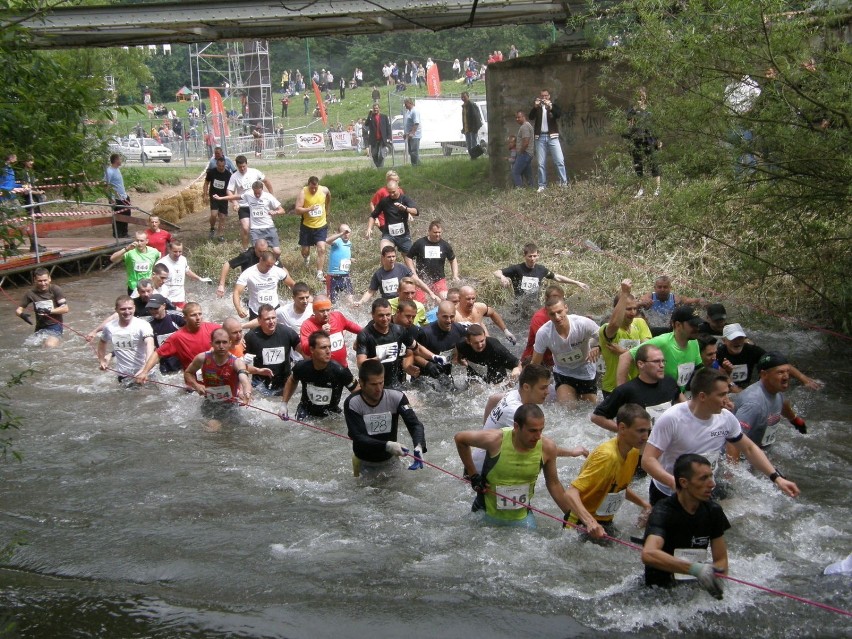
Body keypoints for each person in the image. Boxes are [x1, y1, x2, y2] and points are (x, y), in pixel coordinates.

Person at [641, 367, 801, 505]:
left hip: (704, 490)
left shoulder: (726, 418)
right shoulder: (672, 418)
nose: (727, 400)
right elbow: (648, 461)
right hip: (668, 492)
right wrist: (676, 485)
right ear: (702, 396)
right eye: (721, 395)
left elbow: (750, 448)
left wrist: (777, 478)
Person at [454, 404, 577, 528]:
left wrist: (572, 516)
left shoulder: (547, 447)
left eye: (541, 430)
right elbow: (460, 439)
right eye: (532, 430)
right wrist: (473, 475)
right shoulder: (495, 440)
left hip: (522, 519)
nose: (538, 436)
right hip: (484, 515)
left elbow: (554, 484)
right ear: (516, 427)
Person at [641, 453, 729, 597]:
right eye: (703, 478)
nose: (712, 484)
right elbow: (649, 554)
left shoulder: (714, 511)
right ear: (684, 482)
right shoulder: (662, 511)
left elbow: (721, 559)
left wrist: (717, 578)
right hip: (659, 593)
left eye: (711, 476)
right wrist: (696, 569)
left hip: (693, 590)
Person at [565, 404, 653, 539]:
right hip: (580, 523)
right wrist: (590, 522)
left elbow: (617, 486)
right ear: (622, 428)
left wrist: (644, 504)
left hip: (605, 521)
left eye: (648, 431)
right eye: (640, 431)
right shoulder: (607, 457)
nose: (646, 436)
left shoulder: (633, 451)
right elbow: (571, 492)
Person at [344, 359, 427, 477]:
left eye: (381, 382)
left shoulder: (396, 397)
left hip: (391, 460)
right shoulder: (353, 403)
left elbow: (415, 424)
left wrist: (418, 445)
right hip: (364, 461)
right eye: (373, 384)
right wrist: (388, 445)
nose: (378, 389)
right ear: (361, 383)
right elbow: (358, 436)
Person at [592, 344, 684, 433]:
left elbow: (686, 405)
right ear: (641, 364)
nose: (662, 365)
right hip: (641, 445)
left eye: (663, 361)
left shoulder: (670, 382)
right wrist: (626, 432)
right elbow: (597, 417)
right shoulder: (626, 390)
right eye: (656, 361)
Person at [354, 298, 441, 388]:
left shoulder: (399, 330)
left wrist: (434, 357)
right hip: (373, 385)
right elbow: (361, 364)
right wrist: (381, 356)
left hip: (394, 383)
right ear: (372, 315)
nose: (385, 319)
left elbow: (416, 348)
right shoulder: (365, 334)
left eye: (388, 315)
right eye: (381, 315)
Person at [617, 305, 704, 392]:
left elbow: (699, 371)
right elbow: (625, 357)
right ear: (678, 325)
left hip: (677, 396)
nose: (697, 328)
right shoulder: (663, 342)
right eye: (693, 325)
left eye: (698, 325)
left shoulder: (694, 342)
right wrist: (622, 393)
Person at [531, 297, 601, 405]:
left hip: (586, 370)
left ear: (566, 308)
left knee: (589, 409)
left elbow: (606, 338)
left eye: (559, 312)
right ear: (547, 314)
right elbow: (535, 364)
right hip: (563, 372)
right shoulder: (544, 333)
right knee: (567, 409)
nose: (557, 317)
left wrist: (598, 347)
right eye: (552, 314)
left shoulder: (583, 323)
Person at [733, 351, 807, 449]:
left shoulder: (776, 390)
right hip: (746, 456)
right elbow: (734, 439)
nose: (786, 377)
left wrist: (795, 421)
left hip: (762, 449)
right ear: (764, 374)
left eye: (787, 371)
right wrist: (735, 464)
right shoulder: (753, 404)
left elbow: (783, 404)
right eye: (780, 372)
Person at [183, 328, 253, 431]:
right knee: (213, 430)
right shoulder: (202, 358)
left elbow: (244, 379)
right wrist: (196, 385)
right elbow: (188, 373)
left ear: (230, 343)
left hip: (231, 405)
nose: (221, 346)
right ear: (211, 343)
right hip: (209, 403)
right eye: (218, 342)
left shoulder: (236, 362)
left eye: (224, 342)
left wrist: (247, 393)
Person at [134, 302, 221, 382]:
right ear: (185, 318)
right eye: (193, 315)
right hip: (193, 381)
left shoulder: (213, 328)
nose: (198, 318)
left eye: (200, 314)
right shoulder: (177, 337)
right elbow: (157, 354)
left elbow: (231, 333)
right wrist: (144, 372)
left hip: (215, 376)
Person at [282, 330, 358, 420]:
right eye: (323, 347)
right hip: (305, 412)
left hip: (331, 415)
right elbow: (292, 380)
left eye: (329, 347)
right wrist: (284, 404)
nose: (328, 351)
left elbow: (358, 392)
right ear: (312, 350)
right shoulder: (302, 367)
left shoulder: (340, 370)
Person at [598, 279, 652, 396]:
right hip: (613, 388)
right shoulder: (606, 329)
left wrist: (624, 352)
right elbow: (615, 324)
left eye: (634, 308)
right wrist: (624, 294)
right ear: (618, 308)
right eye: (628, 309)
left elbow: (647, 354)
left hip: (638, 385)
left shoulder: (640, 323)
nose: (632, 312)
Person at [217, 155, 274, 250]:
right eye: (240, 167)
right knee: (245, 228)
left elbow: (267, 181)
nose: (242, 169)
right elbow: (229, 190)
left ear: (247, 164)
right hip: (243, 205)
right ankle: (245, 249)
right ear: (237, 166)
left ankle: (262, 248)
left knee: (259, 227)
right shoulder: (234, 176)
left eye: (244, 166)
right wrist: (235, 202)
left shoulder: (255, 172)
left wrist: (272, 196)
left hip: (257, 204)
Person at [494, 242, 588, 299]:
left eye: (534, 256)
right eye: (529, 256)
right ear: (525, 256)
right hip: (519, 307)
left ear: (538, 256)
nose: (532, 259)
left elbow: (557, 277)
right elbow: (497, 272)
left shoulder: (541, 269)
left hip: (534, 306)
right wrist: (502, 277)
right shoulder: (517, 268)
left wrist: (576, 282)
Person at [244, 303, 302, 394]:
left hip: (284, 383)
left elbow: (304, 352)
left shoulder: (287, 332)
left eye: (273, 318)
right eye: (267, 319)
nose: (271, 321)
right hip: (260, 385)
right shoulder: (251, 337)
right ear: (259, 320)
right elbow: (239, 364)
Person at [97, 295, 154, 384]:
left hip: (146, 372)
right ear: (116, 310)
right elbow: (102, 342)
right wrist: (101, 360)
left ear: (134, 308)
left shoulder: (143, 325)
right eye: (123, 309)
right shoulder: (109, 327)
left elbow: (150, 345)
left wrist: (144, 370)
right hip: (123, 375)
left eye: (130, 308)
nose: (127, 312)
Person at [355, 246, 438, 306]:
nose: (392, 259)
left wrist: (431, 293)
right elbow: (370, 291)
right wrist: (361, 301)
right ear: (383, 257)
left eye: (393, 256)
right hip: (388, 305)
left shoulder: (402, 268)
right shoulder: (378, 274)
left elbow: (416, 281)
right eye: (389, 257)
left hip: (403, 302)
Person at [299, 295, 361, 367]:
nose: (326, 314)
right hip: (321, 371)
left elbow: (360, 330)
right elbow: (305, 350)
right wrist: (320, 334)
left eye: (328, 310)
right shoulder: (307, 325)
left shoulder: (337, 317)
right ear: (314, 311)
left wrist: (358, 340)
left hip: (342, 368)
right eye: (321, 311)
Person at [366, 180, 420, 262]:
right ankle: (387, 273)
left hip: (404, 236)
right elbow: (373, 216)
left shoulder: (405, 199)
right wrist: (369, 228)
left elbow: (416, 212)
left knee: (409, 260)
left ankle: (412, 274)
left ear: (398, 188)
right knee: (385, 253)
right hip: (389, 234)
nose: (391, 194)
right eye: (389, 192)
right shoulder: (384, 201)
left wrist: (405, 208)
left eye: (393, 192)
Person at [15, 267, 68, 348]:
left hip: (55, 325)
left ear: (49, 279)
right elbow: (18, 310)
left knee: (49, 345)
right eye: (40, 281)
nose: (43, 283)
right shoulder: (30, 293)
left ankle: (57, 342)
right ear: (34, 280)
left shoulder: (55, 289)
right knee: (29, 347)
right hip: (40, 327)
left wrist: (49, 311)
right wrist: (22, 315)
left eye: (45, 280)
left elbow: (65, 309)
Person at [232, 250, 294, 320]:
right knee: (255, 330)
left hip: (274, 308)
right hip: (256, 310)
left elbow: (292, 284)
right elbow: (236, 292)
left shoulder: (277, 271)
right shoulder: (248, 273)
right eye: (267, 265)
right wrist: (239, 308)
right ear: (261, 259)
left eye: (271, 266)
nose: (269, 268)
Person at [624, 87, 662, 198]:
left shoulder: (650, 108)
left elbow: (656, 124)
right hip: (637, 139)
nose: (640, 97)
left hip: (649, 139)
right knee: (638, 164)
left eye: (642, 94)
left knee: (653, 162)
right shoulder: (633, 108)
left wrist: (658, 139)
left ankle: (658, 189)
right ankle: (641, 189)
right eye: (638, 95)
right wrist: (636, 107)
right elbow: (628, 117)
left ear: (646, 95)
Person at [407, 220, 459, 299]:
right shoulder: (420, 243)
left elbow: (453, 259)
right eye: (435, 232)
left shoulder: (445, 245)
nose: (437, 235)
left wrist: (455, 275)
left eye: (439, 232)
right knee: (421, 302)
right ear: (429, 231)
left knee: (445, 298)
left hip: (439, 279)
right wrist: (413, 273)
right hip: (421, 279)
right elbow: (408, 257)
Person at [637, 275, 703, 335]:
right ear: (655, 288)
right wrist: (641, 303)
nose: (662, 290)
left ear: (670, 288)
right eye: (659, 287)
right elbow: (634, 305)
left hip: (669, 329)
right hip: (652, 328)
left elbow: (691, 300)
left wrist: (700, 301)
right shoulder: (648, 298)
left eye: (665, 287)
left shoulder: (676, 299)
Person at [529, 89, 567, 191]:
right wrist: (534, 107)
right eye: (542, 96)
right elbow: (530, 117)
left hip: (553, 137)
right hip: (540, 137)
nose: (544, 98)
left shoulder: (553, 106)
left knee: (559, 160)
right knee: (541, 163)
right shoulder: (537, 108)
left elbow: (558, 114)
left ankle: (563, 183)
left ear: (549, 96)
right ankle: (542, 185)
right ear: (540, 97)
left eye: (546, 96)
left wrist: (550, 107)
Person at [456, 324, 521, 384]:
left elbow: (519, 364)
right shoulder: (461, 345)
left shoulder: (496, 348)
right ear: (468, 341)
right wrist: (459, 360)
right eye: (476, 343)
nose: (480, 345)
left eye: (482, 341)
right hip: (475, 374)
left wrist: (516, 370)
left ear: (485, 337)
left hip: (496, 373)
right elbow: (459, 355)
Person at [294, 176, 331, 280]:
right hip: (307, 226)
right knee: (305, 250)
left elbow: (329, 196)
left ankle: (319, 273)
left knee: (322, 249)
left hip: (321, 225)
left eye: (315, 187)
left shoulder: (324, 189)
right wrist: (308, 209)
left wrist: (327, 208)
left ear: (318, 185)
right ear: (308, 185)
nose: (313, 190)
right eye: (311, 188)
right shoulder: (303, 192)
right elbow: (297, 210)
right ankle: (306, 258)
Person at [156, 240, 208, 309]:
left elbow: (187, 271)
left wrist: (200, 278)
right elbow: (156, 279)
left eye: (180, 251)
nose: (178, 254)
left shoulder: (183, 260)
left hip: (180, 298)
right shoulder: (162, 263)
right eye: (175, 252)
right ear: (169, 250)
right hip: (167, 298)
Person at [520, 284, 564, 366]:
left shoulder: (562, 314)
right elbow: (545, 342)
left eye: (559, 298)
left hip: (553, 359)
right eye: (554, 297)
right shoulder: (539, 317)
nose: (556, 300)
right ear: (546, 299)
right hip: (534, 359)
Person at [143, 293, 186, 374]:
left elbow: (195, 329)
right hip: (162, 360)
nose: (152, 311)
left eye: (156, 308)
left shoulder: (176, 317)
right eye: (150, 308)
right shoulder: (147, 324)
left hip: (180, 357)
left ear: (164, 306)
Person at [110, 230, 161, 295]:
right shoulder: (130, 252)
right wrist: (126, 249)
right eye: (137, 240)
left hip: (148, 287)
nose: (139, 243)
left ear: (147, 241)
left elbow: (160, 260)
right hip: (133, 287)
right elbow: (112, 259)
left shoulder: (153, 252)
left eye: (142, 241)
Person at [204, 156, 232, 241]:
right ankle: (212, 228)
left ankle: (220, 235)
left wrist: (231, 196)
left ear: (225, 165)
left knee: (222, 217)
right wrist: (205, 194)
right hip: (214, 196)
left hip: (223, 197)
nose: (221, 168)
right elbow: (206, 183)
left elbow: (231, 187)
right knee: (214, 214)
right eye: (219, 166)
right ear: (216, 165)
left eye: (222, 166)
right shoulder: (212, 172)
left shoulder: (228, 174)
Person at [325, 224, 354, 303]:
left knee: (350, 298)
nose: (346, 234)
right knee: (332, 301)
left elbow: (342, 255)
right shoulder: (337, 241)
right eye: (344, 232)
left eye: (347, 232)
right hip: (333, 276)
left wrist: (350, 259)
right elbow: (327, 240)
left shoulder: (349, 243)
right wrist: (341, 234)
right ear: (339, 233)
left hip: (345, 275)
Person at [104, 153, 130, 239]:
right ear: (116, 160)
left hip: (123, 197)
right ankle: (117, 234)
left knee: (126, 215)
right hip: (116, 198)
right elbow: (106, 186)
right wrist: (110, 199)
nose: (121, 161)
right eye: (120, 159)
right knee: (118, 217)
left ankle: (124, 233)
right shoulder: (109, 171)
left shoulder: (117, 169)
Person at [363, 103, 391, 168]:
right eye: (374, 109)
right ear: (373, 109)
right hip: (374, 139)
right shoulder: (371, 117)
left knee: (382, 154)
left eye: (377, 108)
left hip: (382, 139)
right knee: (374, 154)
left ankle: (380, 168)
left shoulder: (384, 117)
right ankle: (379, 168)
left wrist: (389, 137)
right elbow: (366, 124)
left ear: (379, 109)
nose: (375, 110)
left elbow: (388, 127)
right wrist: (369, 114)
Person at [511, 110, 534, 188]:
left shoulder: (525, 127)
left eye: (519, 117)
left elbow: (526, 142)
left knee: (515, 172)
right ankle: (532, 189)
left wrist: (521, 151)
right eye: (516, 117)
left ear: (524, 117)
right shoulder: (527, 125)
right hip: (528, 154)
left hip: (525, 154)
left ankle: (519, 191)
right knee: (528, 175)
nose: (517, 119)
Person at [460, 92, 483, 159]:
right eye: (462, 97)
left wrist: (475, 128)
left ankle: (475, 157)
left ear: (468, 96)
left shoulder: (472, 105)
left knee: (473, 144)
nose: (463, 98)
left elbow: (476, 117)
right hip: (467, 128)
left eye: (464, 97)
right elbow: (465, 119)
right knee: (469, 144)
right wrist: (463, 128)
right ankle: (472, 157)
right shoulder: (464, 106)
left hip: (473, 128)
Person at [403, 97, 421, 165]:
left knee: (414, 152)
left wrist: (412, 133)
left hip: (415, 136)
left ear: (409, 103)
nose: (405, 106)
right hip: (409, 135)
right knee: (411, 152)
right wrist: (406, 134)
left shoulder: (414, 111)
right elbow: (408, 124)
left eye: (406, 104)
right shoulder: (408, 111)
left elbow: (416, 123)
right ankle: (419, 166)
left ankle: (415, 166)